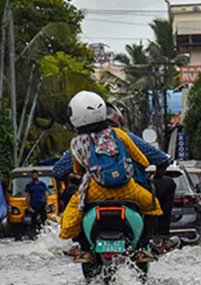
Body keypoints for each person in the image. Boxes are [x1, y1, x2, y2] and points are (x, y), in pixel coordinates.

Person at [59, 91, 162, 263]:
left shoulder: (77, 143)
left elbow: (77, 171)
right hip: (128, 190)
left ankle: (84, 249)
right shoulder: (119, 134)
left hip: (93, 192)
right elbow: (143, 160)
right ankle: (143, 248)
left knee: (72, 215)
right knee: (154, 208)